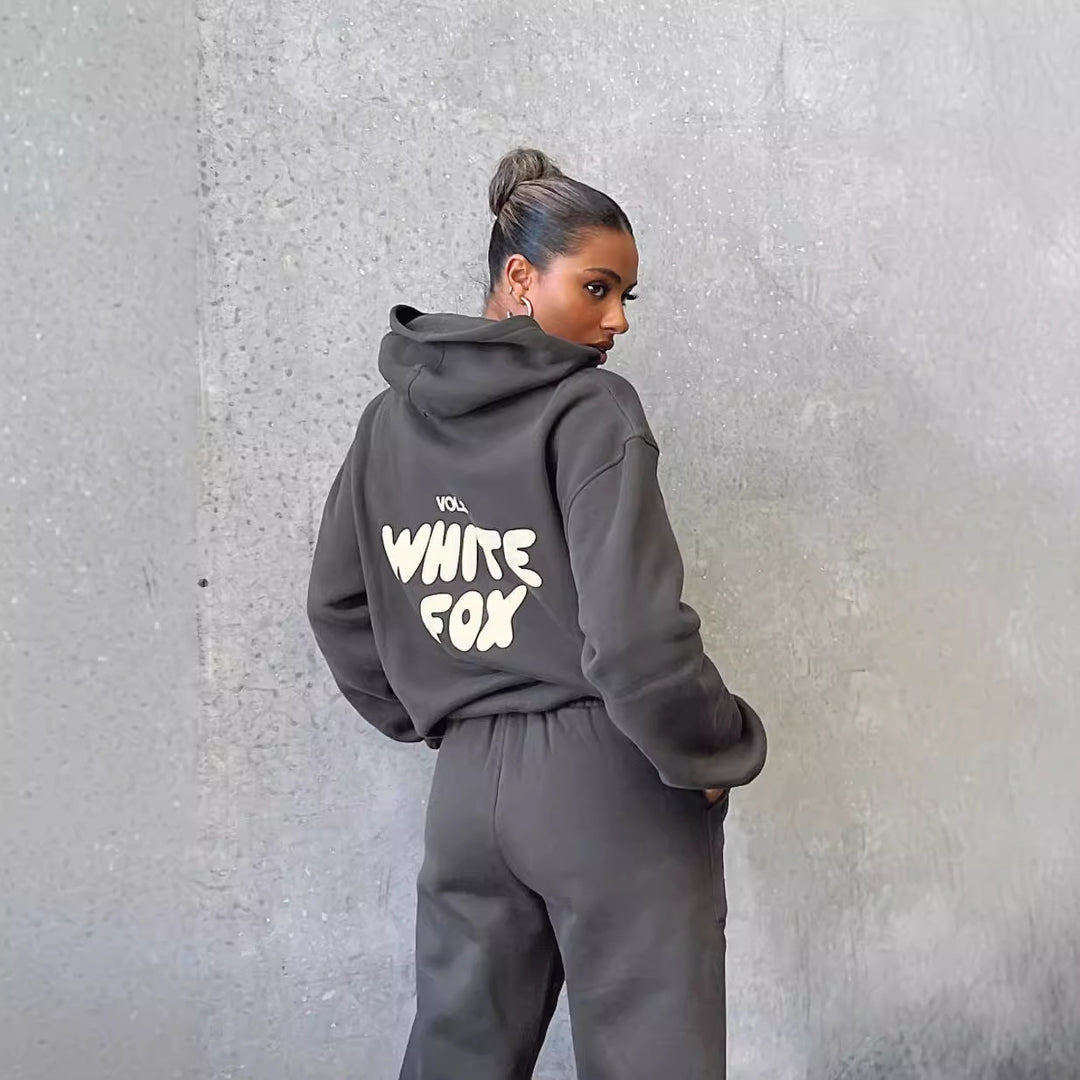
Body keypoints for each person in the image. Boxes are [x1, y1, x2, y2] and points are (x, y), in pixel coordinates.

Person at [306, 147, 767, 1080]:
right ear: (520, 276)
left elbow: (338, 605)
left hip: (466, 790)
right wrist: (710, 749)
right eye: (598, 287)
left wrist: (441, 711)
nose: (617, 319)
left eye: (626, 296)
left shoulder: (386, 423)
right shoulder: (590, 409)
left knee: (458, 1057)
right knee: (652, 1060)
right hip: (608, 776)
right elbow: (634, 639)